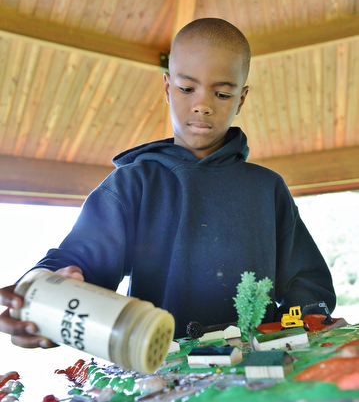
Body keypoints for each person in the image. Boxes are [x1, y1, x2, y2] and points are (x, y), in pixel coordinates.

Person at [0, 18, 336, 345]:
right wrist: (40, 293)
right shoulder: (133, 184)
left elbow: (307, 284)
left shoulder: (268, 188)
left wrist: (294, 330)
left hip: (256, 375)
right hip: (160, 373)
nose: (202, 105)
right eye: (187, 88)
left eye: (221, 94)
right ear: (166, 87)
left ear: (241, 100)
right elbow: (78, 262)